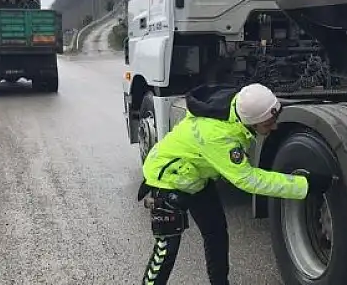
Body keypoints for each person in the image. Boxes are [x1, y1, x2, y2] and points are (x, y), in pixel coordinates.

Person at [138, 83, 334, 285]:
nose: (274, 127)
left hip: (195, 177)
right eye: (268, 123)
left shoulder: (238, 106)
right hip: (167, 179)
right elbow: (249, 180)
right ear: (252, 122)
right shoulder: (219, 136)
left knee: (216, 234)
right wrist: (305, 185)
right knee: (166, 249)